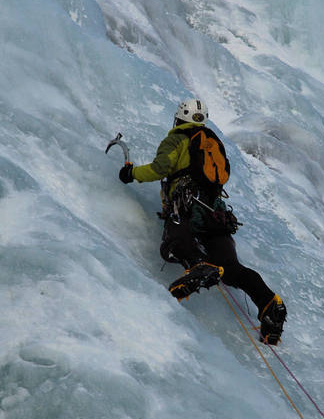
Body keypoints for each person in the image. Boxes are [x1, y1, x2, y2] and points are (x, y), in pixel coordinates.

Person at [119, 98, 287, 345]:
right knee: (231, 270)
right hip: (216, 211)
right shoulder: (211, 141)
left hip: (187, 206)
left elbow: (160, 167)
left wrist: (131, 173)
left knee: (174, 245)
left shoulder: (176, 139)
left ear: (179, 118)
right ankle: (269, 303)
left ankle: (198, 265)